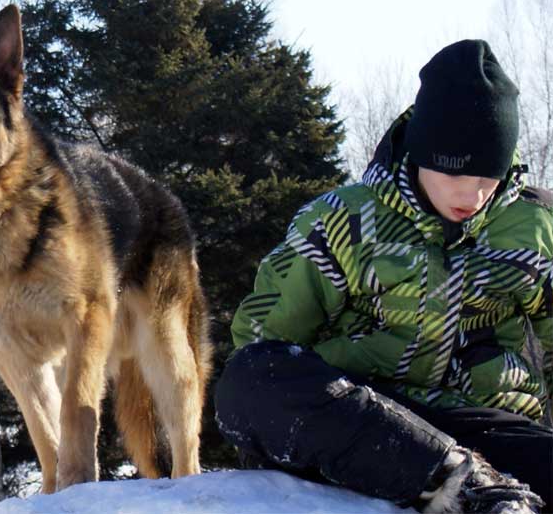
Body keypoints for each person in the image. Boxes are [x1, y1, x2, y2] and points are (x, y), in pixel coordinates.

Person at [214, 40, 552, 514]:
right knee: (249, 377)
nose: (472, 196)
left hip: (485, 426)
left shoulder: (536, 225)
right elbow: (265, 341)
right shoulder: (339, 221)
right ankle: (456, 485)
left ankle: (484, 487)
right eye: (456, 173)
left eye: (488, 178)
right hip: (367, 417)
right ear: (421, 152)